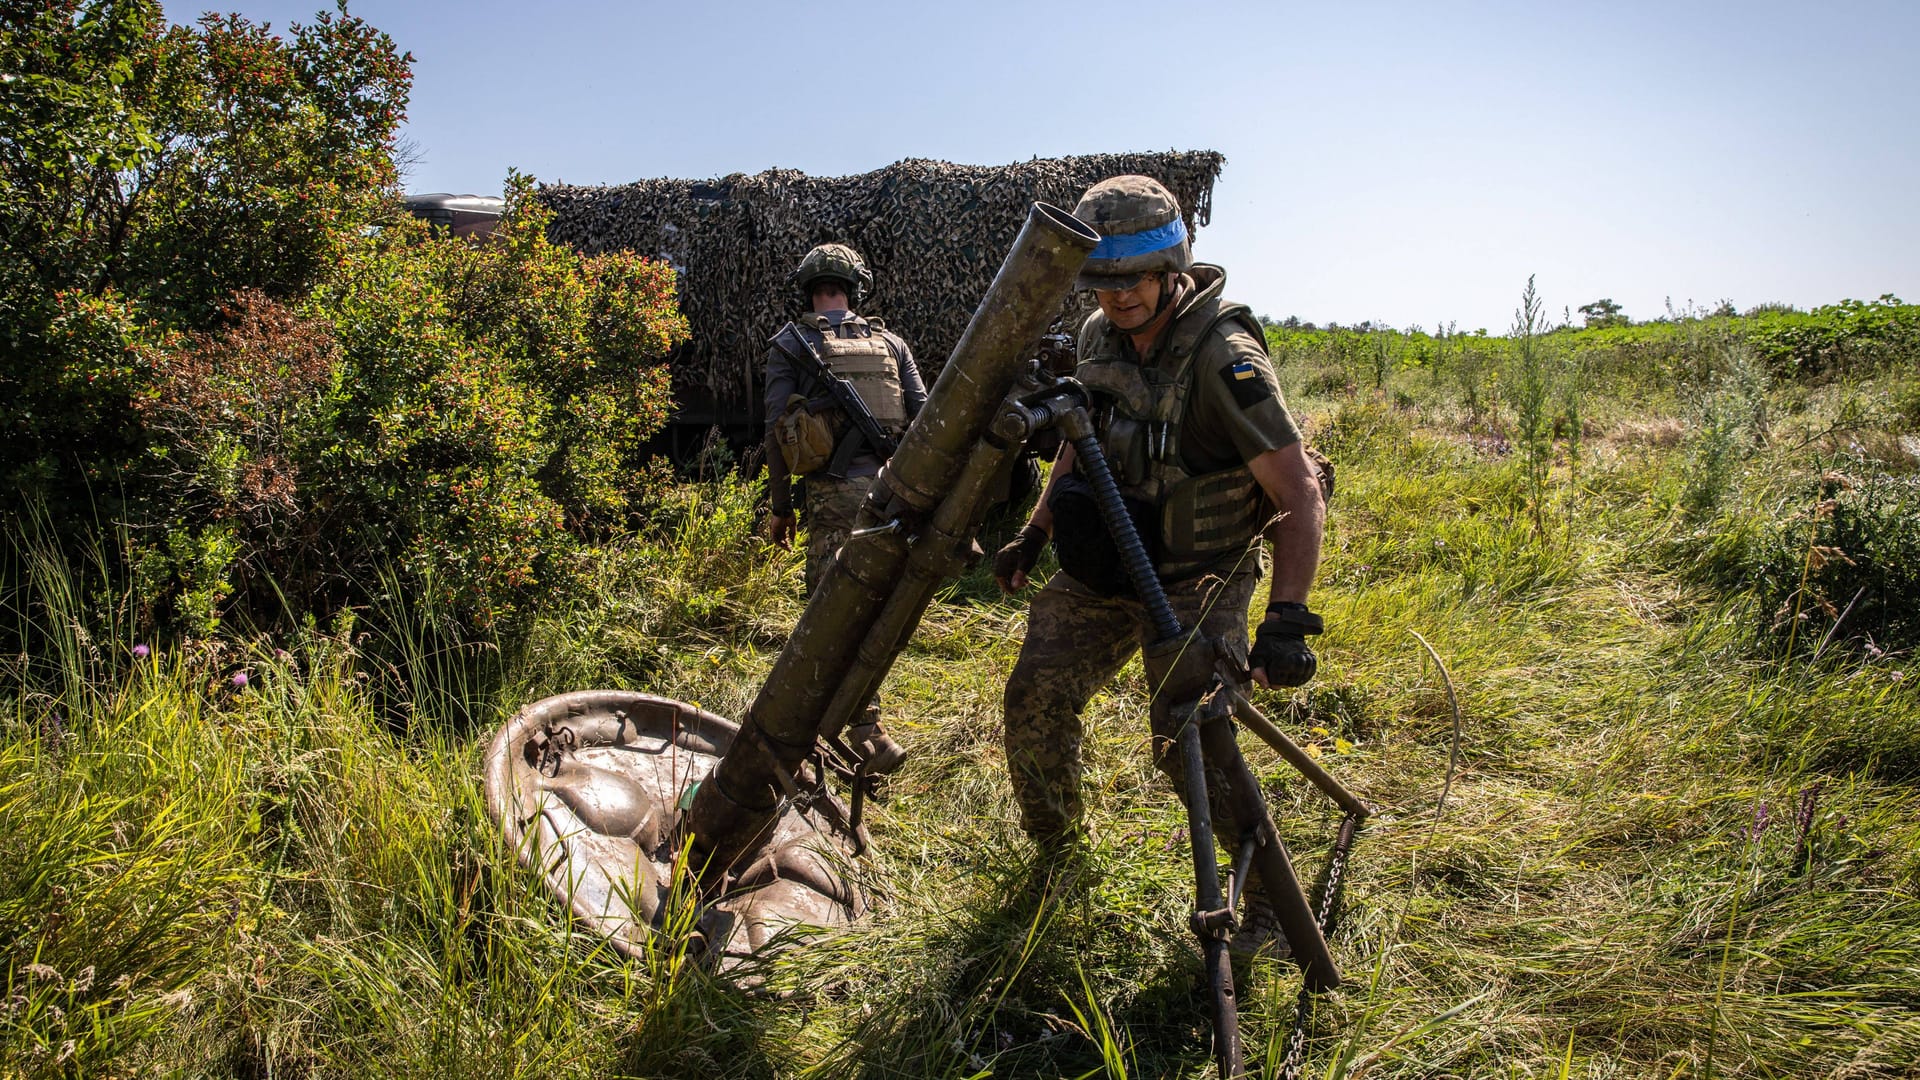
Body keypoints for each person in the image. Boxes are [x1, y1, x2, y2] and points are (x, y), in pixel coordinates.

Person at [992, 176, 1327, 954]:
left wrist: (1288, 619)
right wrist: (1037, 530)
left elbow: (1298, 488)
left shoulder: (1224, 355)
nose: (1117, 299)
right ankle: (1057, 857)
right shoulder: (1096, 340)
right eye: (1101, 283)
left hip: (1199, 574)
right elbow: (1082, 443)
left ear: (1172, 265)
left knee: (1193, 741)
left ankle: (1274, 911)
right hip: (1109, 563)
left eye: (1133, 279)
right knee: (1034, 697)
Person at [762, 242, 926, 773]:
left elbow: (776, 434)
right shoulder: (891, 343)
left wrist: (781, 508)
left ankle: (845, 729)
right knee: (879, 612)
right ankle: (860, 723)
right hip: (894, 495)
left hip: (833, 499)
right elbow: (925, 417)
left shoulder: (790, 343)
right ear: (855, 287)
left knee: (828, 616)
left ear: (808, 289)